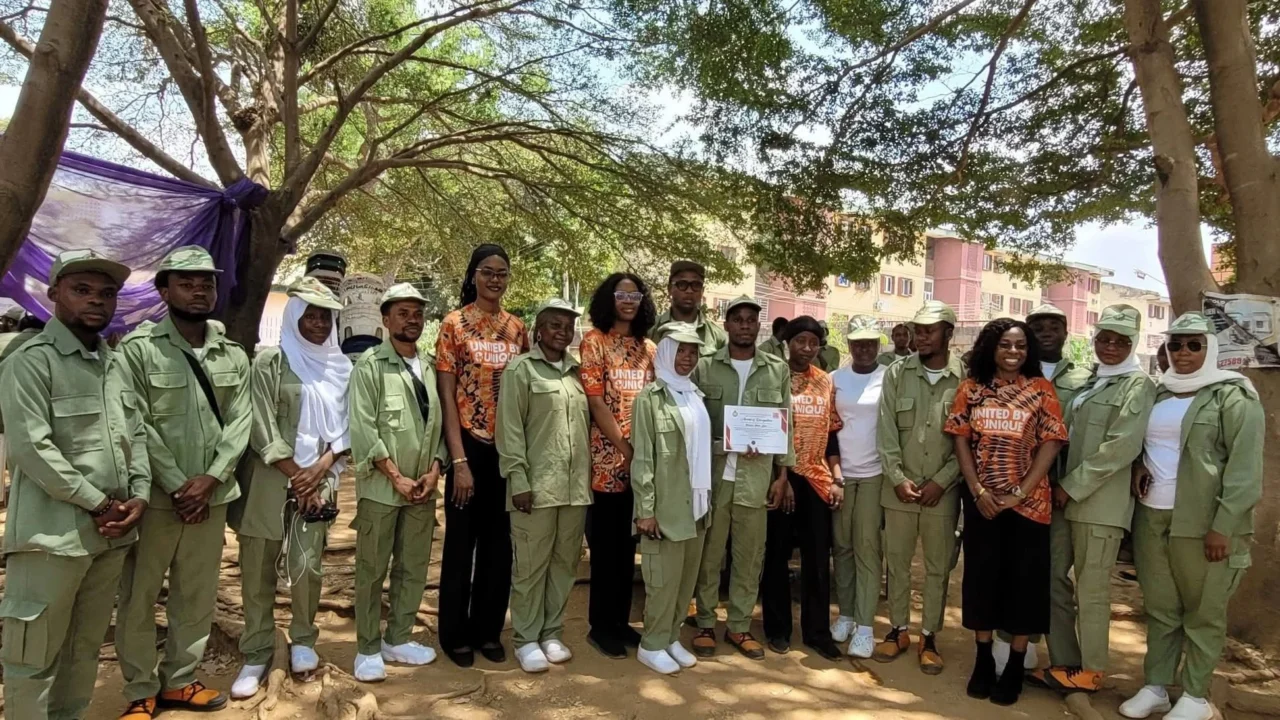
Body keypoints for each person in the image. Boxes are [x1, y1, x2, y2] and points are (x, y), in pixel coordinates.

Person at [0, 250, 149, 720]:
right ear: (54, 294)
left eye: (106, 294)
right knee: (33, 660)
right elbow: (31, 447)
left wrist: (140, 494)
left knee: (83, 651)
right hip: (51, 541)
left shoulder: (114, 362)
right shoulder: (29, 360)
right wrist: (100, 503)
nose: (96, 302)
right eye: (81, 290)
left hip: (107, 539)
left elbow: (137, 434)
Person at [114, 247, 250, 719]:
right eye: (187, 282)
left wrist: (210, 479)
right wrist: (177, 484)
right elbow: (134, 422)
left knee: (195, 594)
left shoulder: (231, 352)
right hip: (156, 500)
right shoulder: (138, 349)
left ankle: (179, 681)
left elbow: (240, 421)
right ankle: (139, 690)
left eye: (207, 283)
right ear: (164, 289)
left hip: (210, 500)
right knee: (139, 596)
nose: (199, 290)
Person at [1120, 313, 1263, 720]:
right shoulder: (1159, 394)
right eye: (1175, 344)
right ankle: (1156, 687)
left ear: (1210, 349)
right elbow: (1143, 445)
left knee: (1203, 613)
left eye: (1193, 344)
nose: (1182, 353)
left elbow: (1245, 470)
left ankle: (1196, 696)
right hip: (1153, 517)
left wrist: (1224, 526)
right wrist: (1136, 467)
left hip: (1203, 525)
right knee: (1162, 609)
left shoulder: (1234, 396)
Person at [228, 277, 350, 698]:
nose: (317, 324)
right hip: (269, 479)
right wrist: (296, 473)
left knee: (307, 567)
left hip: (319, 481)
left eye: (324, 317)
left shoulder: (341, 366)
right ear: (294, 316)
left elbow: (347, 430)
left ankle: (303, 640)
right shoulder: (270, 363)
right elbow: (259, 424)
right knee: (258, 569)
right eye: (310, 316)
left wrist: (322, 466)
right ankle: (257, 650)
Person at [946, 318, 1068, 706]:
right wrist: (978, 489)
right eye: (1005, 345)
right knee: (982, 580)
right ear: (991, 348)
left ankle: (1015, 665)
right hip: (982, 502)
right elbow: (961, 441)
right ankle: (983, 661)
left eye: (1020, 346)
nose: (1013, 352)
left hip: (1028, 506)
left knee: (1025, 585)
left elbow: (1051, 443)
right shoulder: (972, 389)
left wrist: (1021, 492)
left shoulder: (1041, 390)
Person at [1035, 304, 1156, 694]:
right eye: (1104, 339)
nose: (1110, 347)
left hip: (1098, 504)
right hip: (1063, 500)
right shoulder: (1092, 382)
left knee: (1091, 589)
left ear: (1132, 343)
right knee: (1052, 579)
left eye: (1120, 341)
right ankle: (1063, 661)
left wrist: (1071, 486)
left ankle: (1092, 670)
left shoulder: (1138, 385)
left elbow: (1120, 447)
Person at [347, 283, 446, 682]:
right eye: (403, 313)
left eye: (418, 313)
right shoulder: (370, 366)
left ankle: (399, 636)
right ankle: (368, 646)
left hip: (422, 489)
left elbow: (439, 425)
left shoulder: (431, 365)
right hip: (382, 491)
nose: (412, 320)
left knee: (413, 567)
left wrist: (436, 468)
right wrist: (396, 477)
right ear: (386, 320)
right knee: (372, 570)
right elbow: (363, 429)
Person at [436, 244, 528, 666]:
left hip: (506, 450)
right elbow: (447, 394)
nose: (495, 279)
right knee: (460, 545)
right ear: (473, 275)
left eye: (502, 273)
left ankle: (488, 630)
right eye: (488, 271)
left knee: (498, 546)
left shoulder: (517, 329)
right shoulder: (454, 325)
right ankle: (454, 633)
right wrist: (458, 462)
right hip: (467, 446)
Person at [988, 303, 1092, 674]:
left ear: (1067, 332)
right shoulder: (1007, 377)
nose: (1047, 332)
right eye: (1038, 326)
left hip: (1061, 490)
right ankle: (1016, 643)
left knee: (1054, 578)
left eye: (1055, 325)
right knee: (1011, 568)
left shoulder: (1086, 377)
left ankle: (1065, 660)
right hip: (1012, 491)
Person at [690, 295, 793, 660]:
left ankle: (738, 627)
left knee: (750, 556)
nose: (745, 325)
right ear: (727, 324)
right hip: (715, 476)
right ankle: (704, 621)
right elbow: (694, 420)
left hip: (757, 476)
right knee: (709, 553)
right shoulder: (705, 367)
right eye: (738, 319)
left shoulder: (776, 369)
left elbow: (786, 423)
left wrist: (783, 475)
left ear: (758, 325)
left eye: (751, 319)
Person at [497, 299, 592, 673]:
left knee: (564, 565)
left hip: (574, 490)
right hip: (534, 489)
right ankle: (525, 639)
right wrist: (518, 479)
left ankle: (552, 632)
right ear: (539, 330)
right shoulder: (521, 370)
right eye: (554, 325)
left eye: (568, 326)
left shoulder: (577, 374)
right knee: (530, 568)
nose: (562, 332)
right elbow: (510, 429)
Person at [874, 300, 965, 674]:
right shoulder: (897, 373)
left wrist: (942, 482)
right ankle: (898, 630)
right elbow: (886, 431)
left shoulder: (966, 380)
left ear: (948, 333)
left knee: (936, 567)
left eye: (929, 330)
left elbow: (970, 442)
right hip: (899, 490)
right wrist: (898, 479)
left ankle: (929, 635)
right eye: (918, 329)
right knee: (895, 563)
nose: (921, 336)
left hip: (942, 493)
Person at [579, 273, 657, 658]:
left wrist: (644, 456)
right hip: (607, 462)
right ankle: (600, 627)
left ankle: (621, 621)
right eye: (621, 294)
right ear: (609, 299)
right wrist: (626, 449)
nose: (628, 300)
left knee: (628, 550)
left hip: (641, 465)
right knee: (607, 549)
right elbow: (596, 402)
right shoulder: (594, 343)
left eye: (635, 294)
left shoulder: (649, 349)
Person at [630, 323, 713, 674]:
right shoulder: (650, 398)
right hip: (665, 506)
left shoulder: (696, 394)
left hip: (696, 504)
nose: (688, 357)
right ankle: (651, 643)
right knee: (662, 580)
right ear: (665, 352)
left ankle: (671, 636)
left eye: (693, 351)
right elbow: (643, 458)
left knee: (684, 579)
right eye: (680, 350)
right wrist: (645, 511)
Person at [761, 316, 843, 660]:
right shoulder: (772, 377)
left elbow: (832, 434)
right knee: (776, 555)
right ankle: (777, 629)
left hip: (817, 481)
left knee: (817, 561)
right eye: (800, 342)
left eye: (813, 343)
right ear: (788, 343)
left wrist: (837, 477)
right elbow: (769, 429)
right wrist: (782, 475)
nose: (807, 349)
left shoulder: (825, 382)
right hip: (782, 479)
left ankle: (817, 632)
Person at [830, 315, 888, 659]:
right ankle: (847, 614)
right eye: (857, 342)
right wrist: (834, 473)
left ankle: (866, 626)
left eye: (870, 342)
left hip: (873, 473)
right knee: (842, 548)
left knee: (867, 548)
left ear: (878, 344)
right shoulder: (834, 379)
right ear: (848, 344)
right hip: (840, 475)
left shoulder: (889, 378)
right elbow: (828, 428)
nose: (864, 348)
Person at [649, 260, 727, 356]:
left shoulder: (717, 337)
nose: (689, 291)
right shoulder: (650, 329)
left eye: (696, 285)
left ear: (702, 291)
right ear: (670, 289)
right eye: (682, 284)